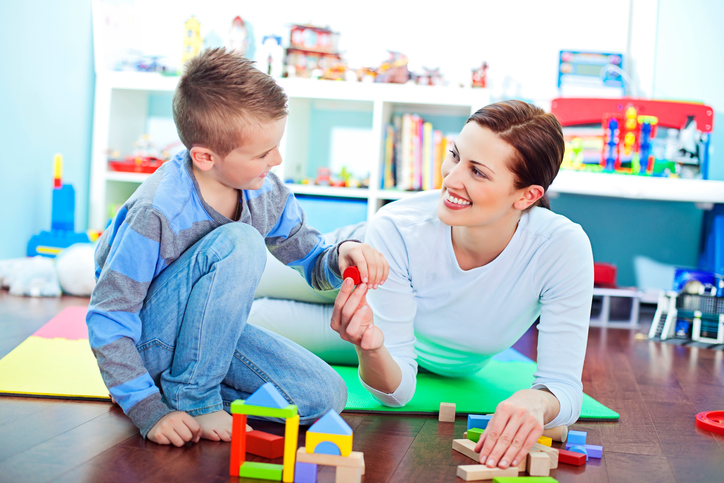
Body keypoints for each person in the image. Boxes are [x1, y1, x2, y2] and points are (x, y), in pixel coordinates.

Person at [249, 100, 594, 470]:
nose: (451, 179)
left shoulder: (562, 249)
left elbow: (564, 387)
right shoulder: (399, 226)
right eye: (455, 156)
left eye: (477, 172)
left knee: (252, 320)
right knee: (244, 278)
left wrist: (537, 401)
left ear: (527, 196)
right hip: (361, 258)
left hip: (397, 341)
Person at [86, 48, 389, 447]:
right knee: (241, 241)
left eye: (277, 146)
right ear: (205, 157)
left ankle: (189, 392)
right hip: (150, 344)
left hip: (207, 343)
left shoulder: (263, 191)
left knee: (326, 396)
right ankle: (189, 398)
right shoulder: (157, 209)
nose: (277, 160)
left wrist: (342, 254)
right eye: (264, 153)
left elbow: (312, 261)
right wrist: (147, 409)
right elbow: (108, 316)